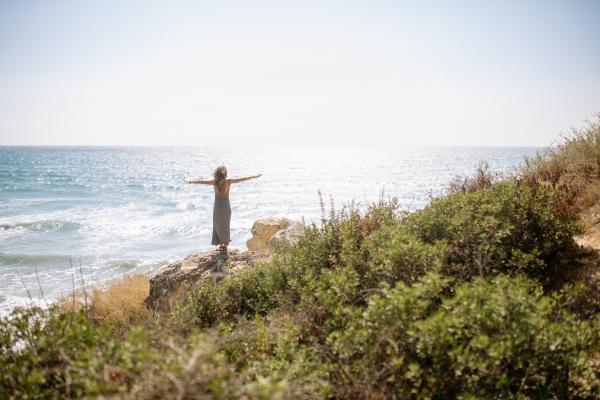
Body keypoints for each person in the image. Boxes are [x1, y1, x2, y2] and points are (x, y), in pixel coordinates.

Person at [184, 166, 261, 252]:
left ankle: (220, 245)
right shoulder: (229, 182)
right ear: (225, 174)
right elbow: (242, 179)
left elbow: (201, 182)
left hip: (217, 208)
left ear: (216, 174)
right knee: (225, 226)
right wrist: (253, 176)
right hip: (226, 207)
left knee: (218, 226)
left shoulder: (214, 183)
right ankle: (225, 245)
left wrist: (190, 182)